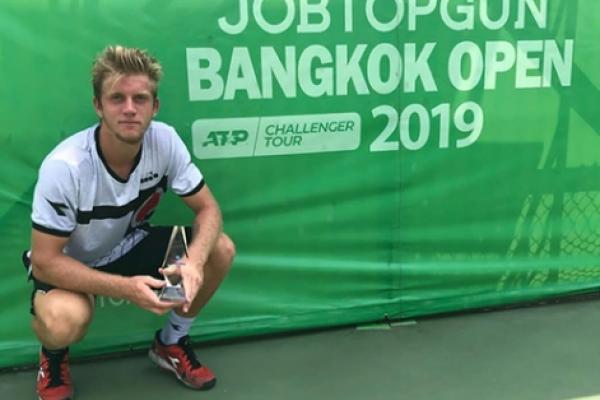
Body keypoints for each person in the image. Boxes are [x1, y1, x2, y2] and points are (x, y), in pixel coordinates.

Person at [24, 45, 235, 400]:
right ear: (98, 106)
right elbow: (45, 260)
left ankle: (171, 342)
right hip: (70, 264)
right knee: (62, 321)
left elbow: (209, 210)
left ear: (155, 106)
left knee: (220, 249)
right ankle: (54, 356)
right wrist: (126, 289)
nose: (129, 109)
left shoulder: (164, 140)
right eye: (117, 98)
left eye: (140, 98)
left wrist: (195, 262)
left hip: (129, 244)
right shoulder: (65, 166)